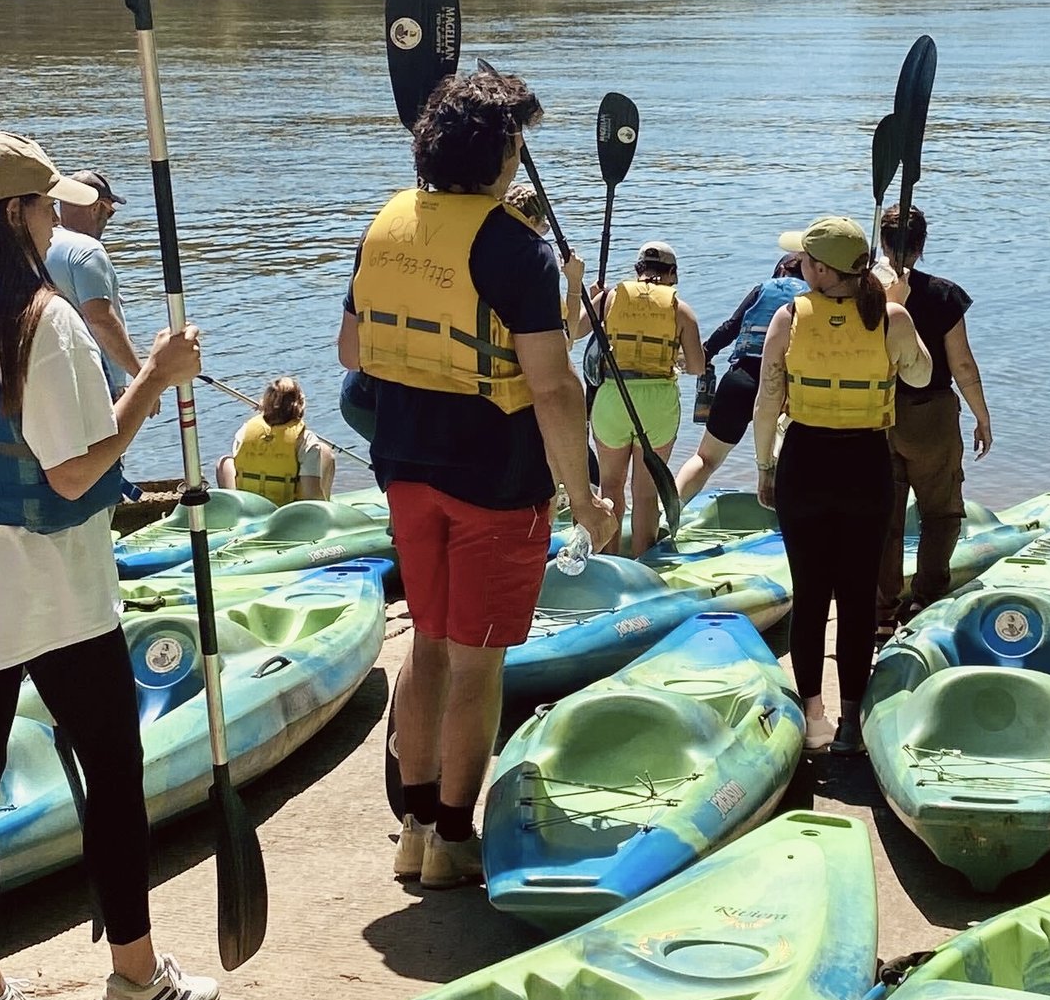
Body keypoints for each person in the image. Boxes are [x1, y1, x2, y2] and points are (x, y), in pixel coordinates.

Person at [0, 132, 219, 1000]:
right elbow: (74, 472)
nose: (55, 217)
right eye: (43, 206)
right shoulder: (46, 318)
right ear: (15, 215)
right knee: (113, 770)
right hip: (54, 593)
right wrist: (153, 380)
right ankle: (136, 975)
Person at [340, 68, 616, 890]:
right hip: (496, 483)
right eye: (519, 142)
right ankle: (453, 839)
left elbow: (352, 352)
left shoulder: (385, 224)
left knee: (428, 646)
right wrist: (588, 499)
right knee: (479, 661)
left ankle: (415, 829)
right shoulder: (516, 249)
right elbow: (555, 389)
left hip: (404, 471)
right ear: (502, 150)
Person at [752, 216, 932, 752]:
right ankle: (852, 719)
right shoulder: (892, 316)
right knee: (856, 595)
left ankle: (814, 719)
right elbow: (920, 376)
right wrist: (902, 310)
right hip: (865, 467)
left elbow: (768, 402)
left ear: (823, 270)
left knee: (810, 595)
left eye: (805, 261)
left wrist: (765, 467)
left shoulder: (788, 317)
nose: (799, 268)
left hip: (804, 463)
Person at [875, 202, 993, 629]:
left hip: (876, 414)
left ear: (883, 243)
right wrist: (982, 416)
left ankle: (883, 610)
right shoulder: (944, 295)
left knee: (885, 516)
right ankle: (926, 598)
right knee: (940, 512)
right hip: (930, 416)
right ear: (922, 246)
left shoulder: (864, 295)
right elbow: (961, 364)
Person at [573, 239, 703, 556]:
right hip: (658, 402)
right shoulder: (680, 310)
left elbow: (574, 330)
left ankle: (609, 557)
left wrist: (588, 297)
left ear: (637, 271)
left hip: (613, 398)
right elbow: (697, 366)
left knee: (611, 485)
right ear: (672, 274)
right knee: (645, 492)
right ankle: (642, 559)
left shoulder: (610, 298)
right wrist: (674, 359)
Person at [674, 232, 809, 504]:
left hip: (740, 380)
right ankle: (785, 520)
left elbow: (730, 328)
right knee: (785, 459)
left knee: (706, 458)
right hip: (783, 386)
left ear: (778, 272)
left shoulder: (763, 289)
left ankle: (667, 511)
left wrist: (706, 354)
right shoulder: (811, 298)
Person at [44, 169, 139, 401]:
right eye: (110, 213)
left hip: (55, 380)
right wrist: (142, 378)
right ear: (96, 207)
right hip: (97, 381)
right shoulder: (87, 251)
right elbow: (101, 321)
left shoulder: (41, 244)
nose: (108, 221)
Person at [215, 372, 336, 503]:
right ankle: (324, 507)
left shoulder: (244, 431)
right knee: (325, 451)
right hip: (288, 511)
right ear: (301, 404)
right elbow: (311, 494)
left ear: (264, 403)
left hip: (250, 507)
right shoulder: (306, 440)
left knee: (225, 462)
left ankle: (234, 506)